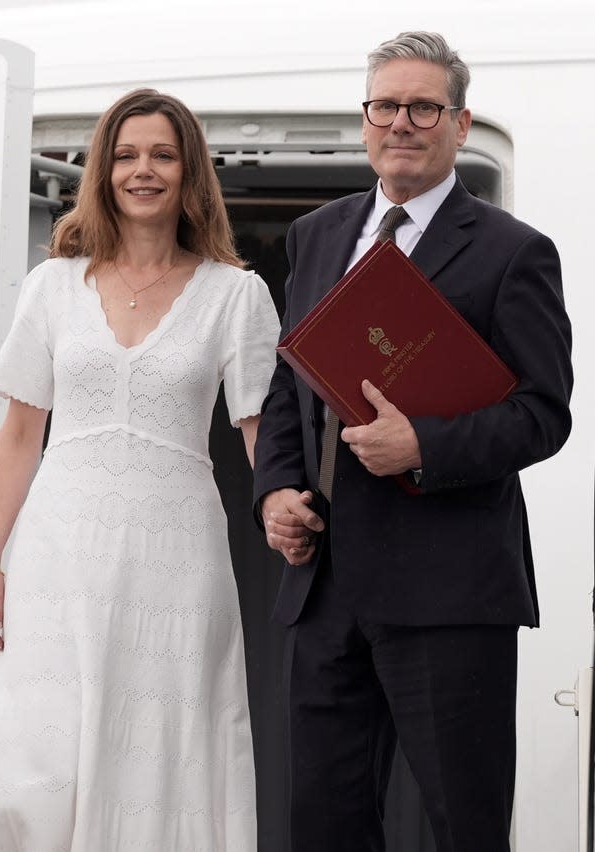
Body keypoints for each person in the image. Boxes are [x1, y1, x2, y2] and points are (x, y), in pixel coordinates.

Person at [253, 31, 572, 852]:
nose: (403, 121)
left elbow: (544, 414)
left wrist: (422, 447)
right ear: (365, 121)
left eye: (424, 106)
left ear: (461, 124)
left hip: (450, 592)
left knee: (462, 825)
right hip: (324, 588)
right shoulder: (317, 234)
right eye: (386, 105)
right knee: (323, 824)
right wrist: (275, 491)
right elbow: (290, 383)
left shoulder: (514, 252)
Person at [0, 88, 280, 851]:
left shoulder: (238, 295)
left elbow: (265, 436)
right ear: (102, 171)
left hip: (177, 560)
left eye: (163, 155)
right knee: (31, 751)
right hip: (58, 553)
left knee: (165, 742)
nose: (144, 170)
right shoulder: (51, 287)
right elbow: (19, 434)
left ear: (190, 172)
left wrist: (290, 523)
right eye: (127, 155)